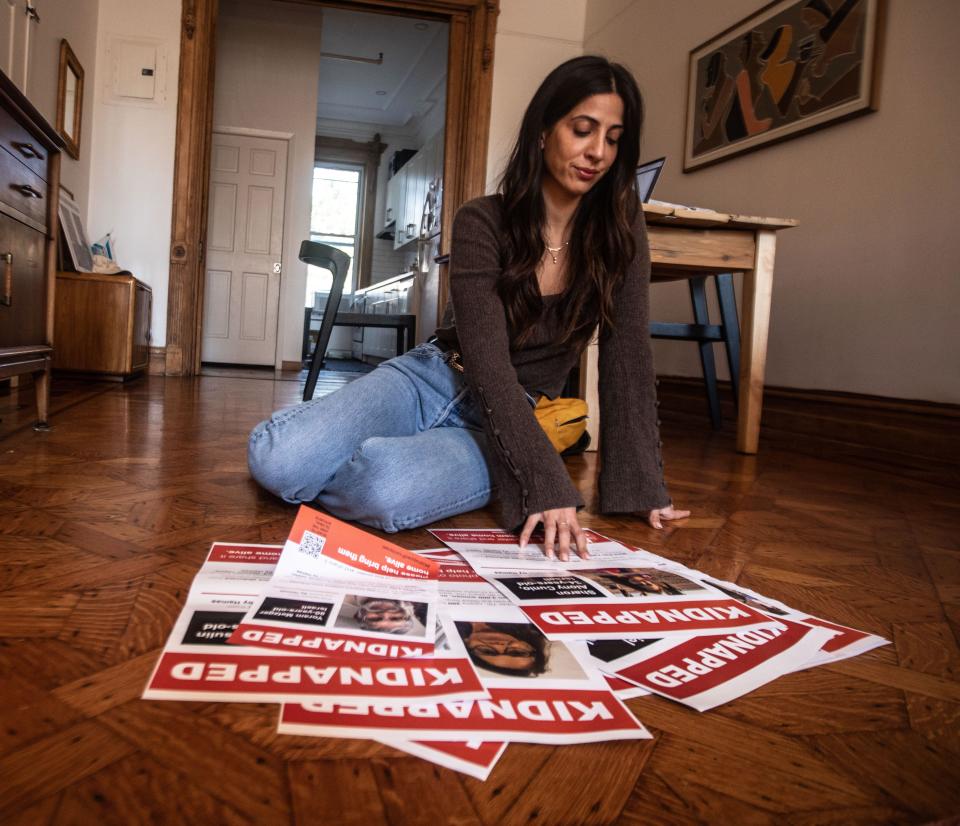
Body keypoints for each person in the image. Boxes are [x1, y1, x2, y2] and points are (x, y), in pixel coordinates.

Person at [247, 55, 688, 560]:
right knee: (279, 460)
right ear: (544, 131)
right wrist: (541, 477)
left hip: (507, 416)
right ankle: (380, 456)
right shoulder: (482, 219)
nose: (597, 153)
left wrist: (642, 488)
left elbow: (627, 353)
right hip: (432, 377)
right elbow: (487, 359)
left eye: (613, 138)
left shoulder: (620, 225)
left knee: (382, 490)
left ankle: (428, 462)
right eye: (583, 129)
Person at [454, 621, 550, 678]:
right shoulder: (532, 622)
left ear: (467, 645)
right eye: (516, 652)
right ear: (532, 646)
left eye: (487, 651)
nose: (499, 646)